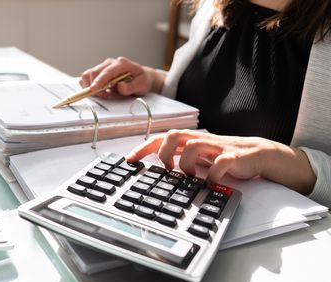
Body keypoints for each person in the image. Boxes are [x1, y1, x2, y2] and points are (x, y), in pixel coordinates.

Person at [79, 0, 331, 207]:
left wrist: (272, 156)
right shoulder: (214, 6)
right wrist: (154, 80)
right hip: (181, 196)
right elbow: (219, 98)